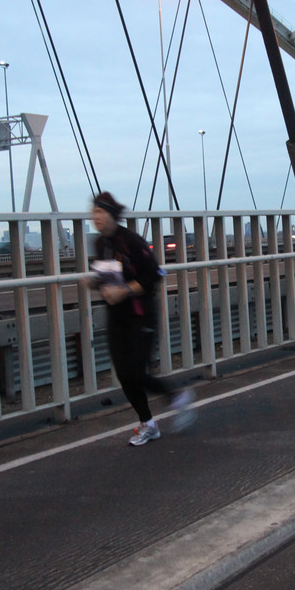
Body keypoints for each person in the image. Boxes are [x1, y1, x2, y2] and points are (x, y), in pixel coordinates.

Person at [84, 191, 195, 446]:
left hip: (140, 315)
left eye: (99, 212)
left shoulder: (132, 242)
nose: (95, 217)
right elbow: (107, 275)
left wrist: (123, 290)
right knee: (124, 374)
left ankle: (177, 396)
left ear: (112, 214)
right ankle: (148, 424)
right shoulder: (100, 244)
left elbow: (154, 274)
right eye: (93, 213)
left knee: (136, 371)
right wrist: (95, 282)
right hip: (116, 317)